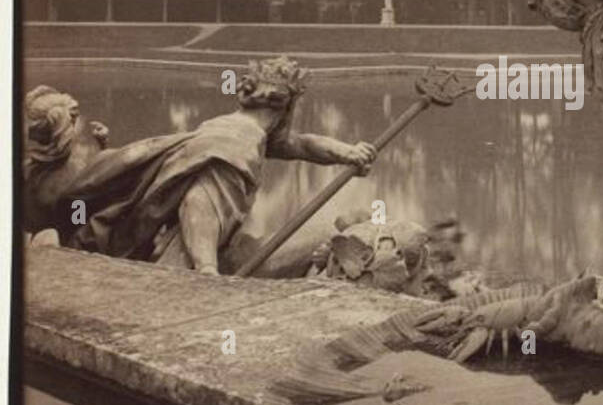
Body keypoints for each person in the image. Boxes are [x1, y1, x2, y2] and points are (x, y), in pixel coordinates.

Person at [28, 57, 376, 275]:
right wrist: (206, 270)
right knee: (178, 266)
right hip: (191, 250)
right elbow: (204, 201)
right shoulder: (239, 141)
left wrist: (347, 152)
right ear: (286, 107)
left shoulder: (238, 126)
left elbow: (299, 144)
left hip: (175, 234)